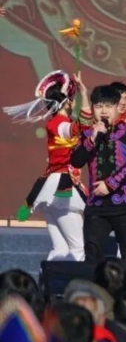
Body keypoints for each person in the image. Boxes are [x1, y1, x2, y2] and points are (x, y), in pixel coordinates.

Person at [3, 71, 86, 261]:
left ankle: (49, 278)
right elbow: (80, 127)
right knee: (78, 249)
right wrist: (85, 95)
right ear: (68, 102)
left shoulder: (55, 123)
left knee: (60, 249)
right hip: (62, 189)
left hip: (51, 187)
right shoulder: (60, 124)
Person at [71, 85, 126, 277]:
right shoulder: (87, 134)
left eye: (108, 106)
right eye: (99, 106)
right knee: (92, 256)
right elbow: (76, 161)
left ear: (117, 108)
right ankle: (92, 293)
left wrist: (110, 184)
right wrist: (92, 139)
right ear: (93, 109)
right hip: (97, 206)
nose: (104, 111)